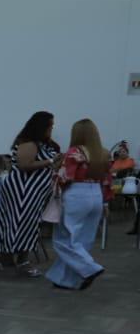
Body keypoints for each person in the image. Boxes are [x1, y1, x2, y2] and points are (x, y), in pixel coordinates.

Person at [0, 111, 61, 276]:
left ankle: (2, 255)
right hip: (23, 190)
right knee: (22, 223)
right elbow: (24, 165)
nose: (52, 127)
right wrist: (50, 161)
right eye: (50, 124)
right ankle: (21, 261)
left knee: (23, 223)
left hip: (33, 191)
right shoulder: (29, 143)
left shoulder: (42, 144)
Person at [47, 119, 110, 290]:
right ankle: (65, 279)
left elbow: (64, 178)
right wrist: (105, 202)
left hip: (76, 194)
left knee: (64, 239)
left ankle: (90, 268)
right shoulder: (103, 153)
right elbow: (107, 180)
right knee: (82, 240)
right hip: (96, 193)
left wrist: (56, 169)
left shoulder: (74, 152)